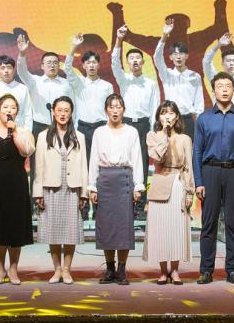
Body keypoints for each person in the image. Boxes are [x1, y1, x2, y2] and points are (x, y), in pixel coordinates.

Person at [194, 72, 234, 285]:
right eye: (220, 86)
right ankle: (206, 270)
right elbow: (197, 151)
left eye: (228, 85)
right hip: (210, 171)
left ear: (233, 90)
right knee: (208, 223)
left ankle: (232, 270)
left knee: (232, 223)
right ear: (213, 91)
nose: (225, 89)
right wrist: (199, 181)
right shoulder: (204, 118)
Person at [0, 94, 36, 284]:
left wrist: (15, 131)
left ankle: (13, 269)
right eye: (5, 107)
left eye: (12, 107)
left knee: (15, 226)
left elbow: (27, 151)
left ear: (17, 111)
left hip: (17, 183)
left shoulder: (24, 132)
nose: (9, 110)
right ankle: (0, 269)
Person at [89, 94, 145, 285]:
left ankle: (122, 269)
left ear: (124, 110)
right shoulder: (99, 132)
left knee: (123, 227)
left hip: (124, 180)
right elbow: (93, 160)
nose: (115, 110)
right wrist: (92, 187)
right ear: (106, 110)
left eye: (118, 107)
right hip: (105, 180)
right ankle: (109, 268)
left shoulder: (132, 132)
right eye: (111, 107)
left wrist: (138, 185)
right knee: (106, 226)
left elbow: (137, 159)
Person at [34, 96, 89, 285]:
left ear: (71, 113)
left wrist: (84, 193)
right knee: (53, 231)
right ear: (53, 112)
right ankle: (57, 269)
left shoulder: (79, 136)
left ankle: (67, 270)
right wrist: (38, 192)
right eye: (59, 110)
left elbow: (83, 166)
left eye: (66, 110)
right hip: (51, 188)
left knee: (71, 231)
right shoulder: (43, 136)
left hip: (72, 188)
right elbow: (39, 166)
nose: (63, 114)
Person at [143, 101, 194, 285]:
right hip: (160, 183)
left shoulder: (185, 139)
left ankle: (175, 270)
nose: (167, 116)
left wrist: (190, 191)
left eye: (171, 113)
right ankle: (163, 271)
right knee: (161, 230)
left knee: (177, 230)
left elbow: (189, 166)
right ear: (158, 116)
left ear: (177, 116)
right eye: (164, 113)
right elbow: (157, 157)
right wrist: (164, 134)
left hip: (179, 183)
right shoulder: (152, 136)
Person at [113, 25, 160, 220]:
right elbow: (114, 62)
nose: (135, 61)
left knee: (141, 165)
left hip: (142, 126)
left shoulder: (151, 84)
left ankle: (140, 207)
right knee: (123, 164)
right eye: (131, 58)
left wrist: (152, 131)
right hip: (124, 125)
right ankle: (123, 204)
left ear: (143, 62)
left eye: (138, 58)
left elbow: (155, 108)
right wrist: (119, 40)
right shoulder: (123, 79)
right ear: (128, 62)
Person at [64, 34, 116, 162]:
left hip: (102, 126)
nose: (91, 66)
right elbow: (67, 68)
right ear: (83, 66)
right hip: (83, 127)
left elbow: (111, 109)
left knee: (101, 160)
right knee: (84, 161)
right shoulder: (79, 83)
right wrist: (74, 46)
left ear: (98, 65)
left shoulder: (107, 86)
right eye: (88, 63)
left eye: (94, 62)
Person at [154, 18, 205, 140]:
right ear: (170, 57)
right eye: (175, 54)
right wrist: (164, 35)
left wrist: (199, 123)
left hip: (189, 120)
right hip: (170, 119)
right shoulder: (167, 75)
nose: (178, 57)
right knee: (171, 150)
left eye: (181, 53)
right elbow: (157, 58)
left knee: (190, 150)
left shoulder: (194, 76)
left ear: (186, 56)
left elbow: (199, 103)